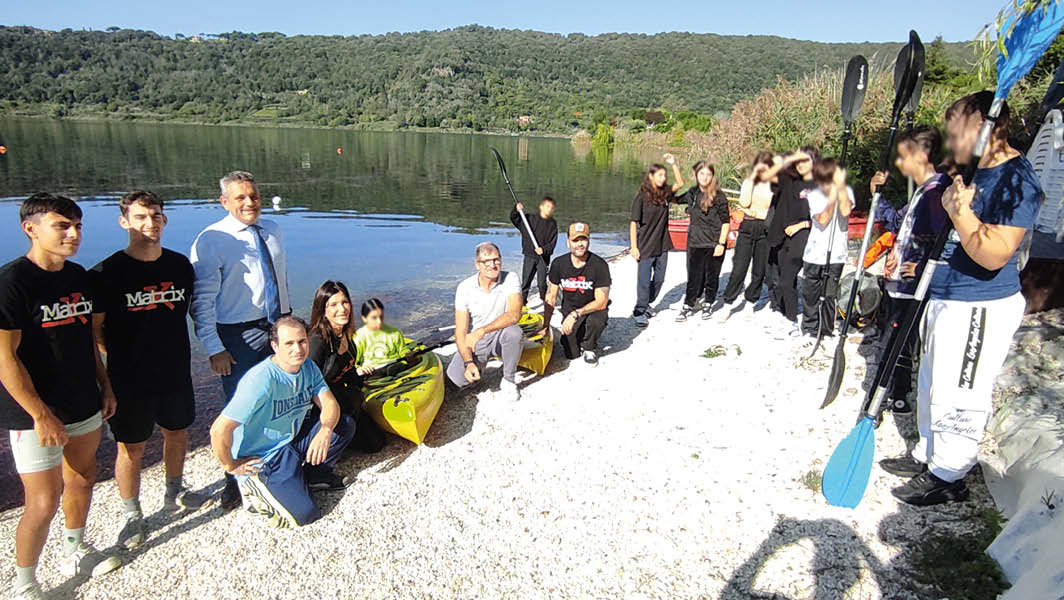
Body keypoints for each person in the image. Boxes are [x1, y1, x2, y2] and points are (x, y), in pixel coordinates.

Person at [883, 92, 1042, 506]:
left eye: (957, 132)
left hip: (980, 303)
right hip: (946, 296)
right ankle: (929, 455)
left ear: (985, 127)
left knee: (961, 389)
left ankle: (949, 476)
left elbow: (994, 253)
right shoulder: (975, 171)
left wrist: (961, 213)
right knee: (934, 382)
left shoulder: (1016, 179)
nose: (950, 142)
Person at [0, 194, 121, 600]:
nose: (73, 234)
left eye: (78, 226)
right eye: (62, 225)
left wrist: (104, 384)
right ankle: (25, 583)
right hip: (33, 412)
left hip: (83, 399)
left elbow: (87, 339)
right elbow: (5, 358)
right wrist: (39, 414)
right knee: (43, 500)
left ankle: (75, 548)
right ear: (30, 228)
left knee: (83, 477)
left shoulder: (79, 277)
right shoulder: (12, 282)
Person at [89, 191, 207, 550]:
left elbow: (189, 311)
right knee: (131, 448)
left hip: (174, 371)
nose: (149, 223)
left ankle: (176, 489)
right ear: (124, 222)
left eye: (155, 215)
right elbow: (95, 331)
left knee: (178, 432)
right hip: (130, 378)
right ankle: (131, 513)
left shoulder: (178, 266)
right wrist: (113, 370)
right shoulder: (107, 273)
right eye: (140, 216)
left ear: (165, 220)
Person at [190, 170, 292, 510]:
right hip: (238, 334)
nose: (250, 203)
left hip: (277, 326)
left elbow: (279, 280)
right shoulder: (211, 239)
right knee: (239, 406)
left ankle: (273, 462)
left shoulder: (273, 230)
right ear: (224, 202)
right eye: (240, 198)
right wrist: (214, 347)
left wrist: (289, 325)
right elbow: (201, 301)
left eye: (254, 196)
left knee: (279, 396)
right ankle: (232, 476)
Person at [209, 316, 355, 528]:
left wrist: (325, 430)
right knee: (305, 515)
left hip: (290, 442)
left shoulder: (308, 368)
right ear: (275, 346)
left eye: (302, 341)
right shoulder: (261, 380)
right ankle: (254, 488)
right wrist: (231, 466)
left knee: (343, 425)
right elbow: (219, 430)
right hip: (264, 456)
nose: (298, 349)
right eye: (289, 343)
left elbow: (330, 404)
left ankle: (314, 477)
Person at [868, 127, 951, 414]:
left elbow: (945, 239)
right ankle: (899, 395)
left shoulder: (938, 193)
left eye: (905, 157)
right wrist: (876, 197)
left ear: (922, 156)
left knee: (892, 345)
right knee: (895, 344)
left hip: (912, 287)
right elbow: (896, 223)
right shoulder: (923, 192)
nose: (900, 164)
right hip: (899, 284)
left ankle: (876, 405)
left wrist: (923, 263)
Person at [306, 281, 385, 454]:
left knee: (376, 443)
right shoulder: (317, 342)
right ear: (323, 310)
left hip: (344, 401)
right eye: (333, 305)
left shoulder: (346, 338)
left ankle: (342, 440)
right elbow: (306, 386)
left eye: (345, 302)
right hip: (319, 408)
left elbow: (346, 375)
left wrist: (359, 373)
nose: (342, 309)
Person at [446, 242, 524, 401]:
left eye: (496, 260)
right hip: (477, 342)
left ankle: (509, 380)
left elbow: (514, 315)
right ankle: (477, 369)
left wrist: (481, 331)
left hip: (500, 336)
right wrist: (468, 362)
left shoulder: (511, 278)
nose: (492, 265)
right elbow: (460, 331)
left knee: (515, 332)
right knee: (453, 381)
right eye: (486, 262)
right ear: (477, 265)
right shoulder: (464, 288)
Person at [797, 158, 853, 339]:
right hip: (815, 253)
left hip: (836, 254)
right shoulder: (814, 195)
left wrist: (840, 189)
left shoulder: (846, 191)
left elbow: (845, 211)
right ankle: (809, 328)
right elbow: (822, 220)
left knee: (829, 295)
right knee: (811, 293)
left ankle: (827, 329)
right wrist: (831, 198)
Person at [542, 222, 611, 364]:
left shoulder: (600, 265)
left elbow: (602, 301)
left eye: (583, 239)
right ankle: (579, 337)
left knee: (596, 321)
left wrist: (575, 314)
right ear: (568, 242)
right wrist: (545, 326)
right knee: (570, 353)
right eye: (575, 240)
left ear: (589, 241)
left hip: (594, 309)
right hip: (570, 310)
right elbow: (551, 296)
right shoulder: (558, 264)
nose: (580, 244)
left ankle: (589, 347)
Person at [630, 154, 685, 327]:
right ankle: (639, 310)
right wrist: (633, 247)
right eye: (660, 175)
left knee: (659, 279)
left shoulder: (665, 194)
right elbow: (633, 223)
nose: (663, 178)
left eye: (664, 176)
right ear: (651, 176)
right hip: (645, 244)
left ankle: (646, 303)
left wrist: (674, 164)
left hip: (662, 243)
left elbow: (680, 183)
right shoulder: (641, 197)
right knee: (644, 281)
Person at [767, 148, 819, 326]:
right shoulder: (789, 180)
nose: (802, 164)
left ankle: (792, 320)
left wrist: (801, 225)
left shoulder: (819, 186)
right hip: (782, 234)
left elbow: (824, 218)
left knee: (785, 281)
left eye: (806, 160)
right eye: (799, 161)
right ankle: (784, 313)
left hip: (803, 235)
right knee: (781, 278)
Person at [721, 152, 778, 314]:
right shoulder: (749, 182)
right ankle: (729, 301)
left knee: (759, 269)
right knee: (739, 267)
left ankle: (751, 299)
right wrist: (752, 182)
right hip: (747, 226)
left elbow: (773, 210)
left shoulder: (775, 186)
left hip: (765, 228)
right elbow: (744, 203)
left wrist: (757, 212)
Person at [675, 161, 730, 322]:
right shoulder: (692, 193)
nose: (705, 177)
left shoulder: (719, 196)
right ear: (696, 175)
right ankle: (689, 304)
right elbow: (674, 198)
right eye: (701, 174)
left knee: (712, 275)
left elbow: (726, 222)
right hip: (695, 241)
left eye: (708, 174)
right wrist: (674, 166)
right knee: (693, 275)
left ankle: (708, 302)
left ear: (712, 176)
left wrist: (721, 243)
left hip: (714, 242)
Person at [510, 196, 558, 306]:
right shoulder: (528, 219)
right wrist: (516, 210)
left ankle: (546, 304)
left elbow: (552, 243)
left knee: (542, 284)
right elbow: (514, 219)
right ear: (541, 207)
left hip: (543, 258)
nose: (549, 209)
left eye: (551, 208)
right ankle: (522, 304)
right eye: (547, 206)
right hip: (529, 256)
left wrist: (544, 250)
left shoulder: (552, 224)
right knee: (526, 282)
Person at [353, 298, 410, 369]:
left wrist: (408, 354)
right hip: (373, 371)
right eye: (374, 318)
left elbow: (403, 351)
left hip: (395, 365)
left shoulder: (395, 333)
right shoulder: (359, 337)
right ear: (364, 318)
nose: (379, 321)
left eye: (381, 317)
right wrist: (359, 368)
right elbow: (354, 362)